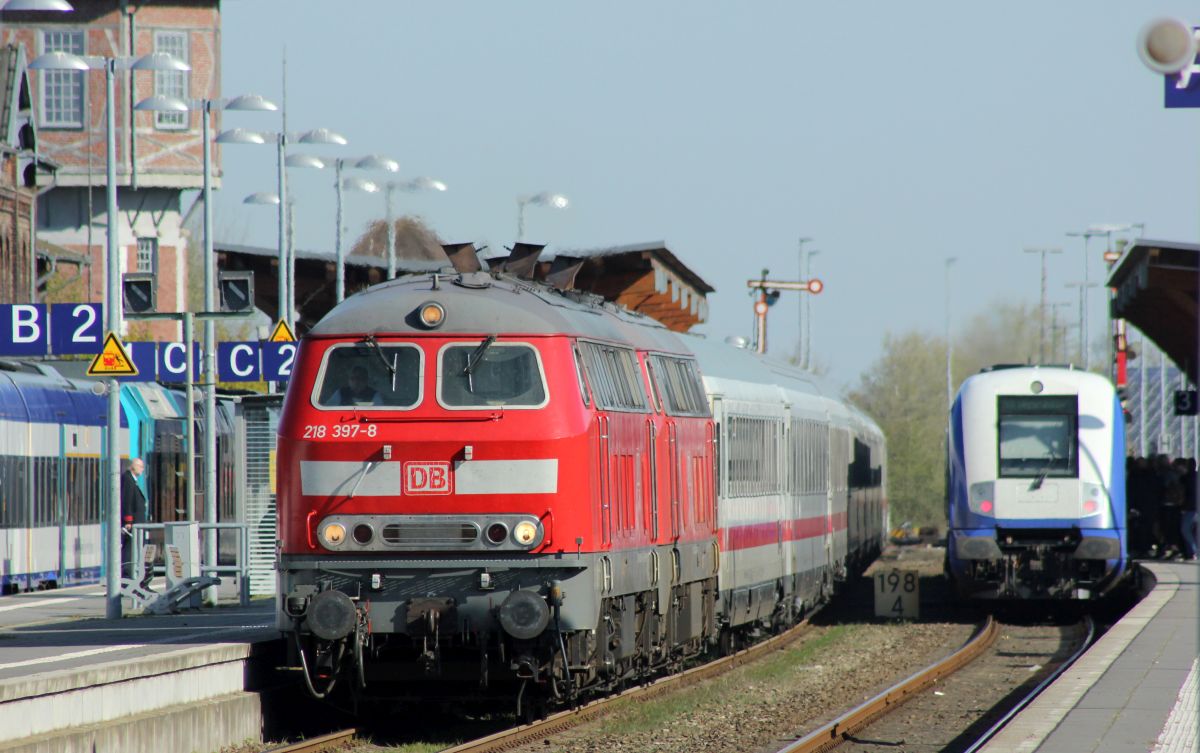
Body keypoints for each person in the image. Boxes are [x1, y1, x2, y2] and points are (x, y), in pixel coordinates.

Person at [119, 458, 148, 579]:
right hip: (132, 524)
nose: (142, 469)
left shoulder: (132, 480)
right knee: (129, 550)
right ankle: (127, 577)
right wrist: (128, 521)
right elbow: (127, 501)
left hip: (135, 523)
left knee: (133, 549)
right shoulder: (128, 480)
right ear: (133, 467)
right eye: (140, 466)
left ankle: (132, 576)